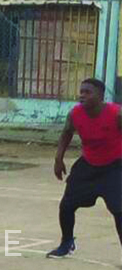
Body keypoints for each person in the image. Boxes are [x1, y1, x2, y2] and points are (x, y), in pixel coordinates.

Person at [47, 79, 122, 258]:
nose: (82, 95)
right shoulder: (75, 114)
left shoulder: (117, 114)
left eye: (88, 92)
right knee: (66, 206)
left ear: (101, 96)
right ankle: (66, 243)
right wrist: (58, 158)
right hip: (88, 165)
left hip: (114, 166)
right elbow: (66, 133)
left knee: (119, 212)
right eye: (81, 92)